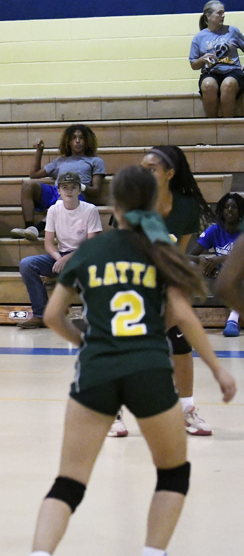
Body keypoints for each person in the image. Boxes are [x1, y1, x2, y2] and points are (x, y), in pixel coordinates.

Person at [28, 165, 236, 556]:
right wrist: (218, 369)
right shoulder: (161, 252)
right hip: (149, 370)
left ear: (115, 207)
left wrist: (84, 341)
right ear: (156, 204)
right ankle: (152, 552)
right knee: (173, 475)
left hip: (97, 370)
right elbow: (184, 316)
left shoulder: (89, 251)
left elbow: (53, 316)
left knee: (69, 482)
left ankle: (41, 552)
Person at [109, 145, 215, 437]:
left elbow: (179, 254)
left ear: (169, 173)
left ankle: (186, 410)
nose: (144, 174)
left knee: (181, 342)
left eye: (151, 169)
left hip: (164, 280)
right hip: (128, 278)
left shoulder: (186, 207)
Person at [17, 172, 102, 329]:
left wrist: (67, 259)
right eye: (65, 187)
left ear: (79, 190)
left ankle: (92, 316)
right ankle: (41, 314)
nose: (69, 191)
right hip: (61, 255)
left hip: (84, 257)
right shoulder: (54, 210)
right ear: (59, 191)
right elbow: (48, 243)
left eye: (73, 187)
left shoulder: (90, 210)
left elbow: (91, 245)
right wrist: (58, 258)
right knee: (27, 264)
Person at [11, 125, 105, 241]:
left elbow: (96, 191)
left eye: (81, 138)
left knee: (66, 193)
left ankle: (37, 229)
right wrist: (39, 151)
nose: (77, 141)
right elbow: (34, 174)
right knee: (28, 185)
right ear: (68, 142)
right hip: (57, 190)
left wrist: (77, 186)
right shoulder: (61, 160)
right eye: (74, 138)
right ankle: (28, 228)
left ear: (87, 141)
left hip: (77, 194)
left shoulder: (95, 161)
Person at [188, 192, 244, 336]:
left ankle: (233, 320)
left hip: (239, 277)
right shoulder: (214, 230)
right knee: (190, 265)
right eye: (226, 207)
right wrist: (203, 261)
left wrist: (222, 259)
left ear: (240, 211)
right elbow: (191, 255)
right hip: (218, 276)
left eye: (234, 207)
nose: (229, 210)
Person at [189, 0, 244, 118]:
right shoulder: (199, 37)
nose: (223, 16)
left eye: (223, 13)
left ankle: (227, 123)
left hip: (232, 71)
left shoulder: (232, 31)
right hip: (210, 72)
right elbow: (193, 64)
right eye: (219, 13)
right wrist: (202, 59)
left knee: (228, 84)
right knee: (208, 85)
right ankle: (212, 123)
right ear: (208, 16)